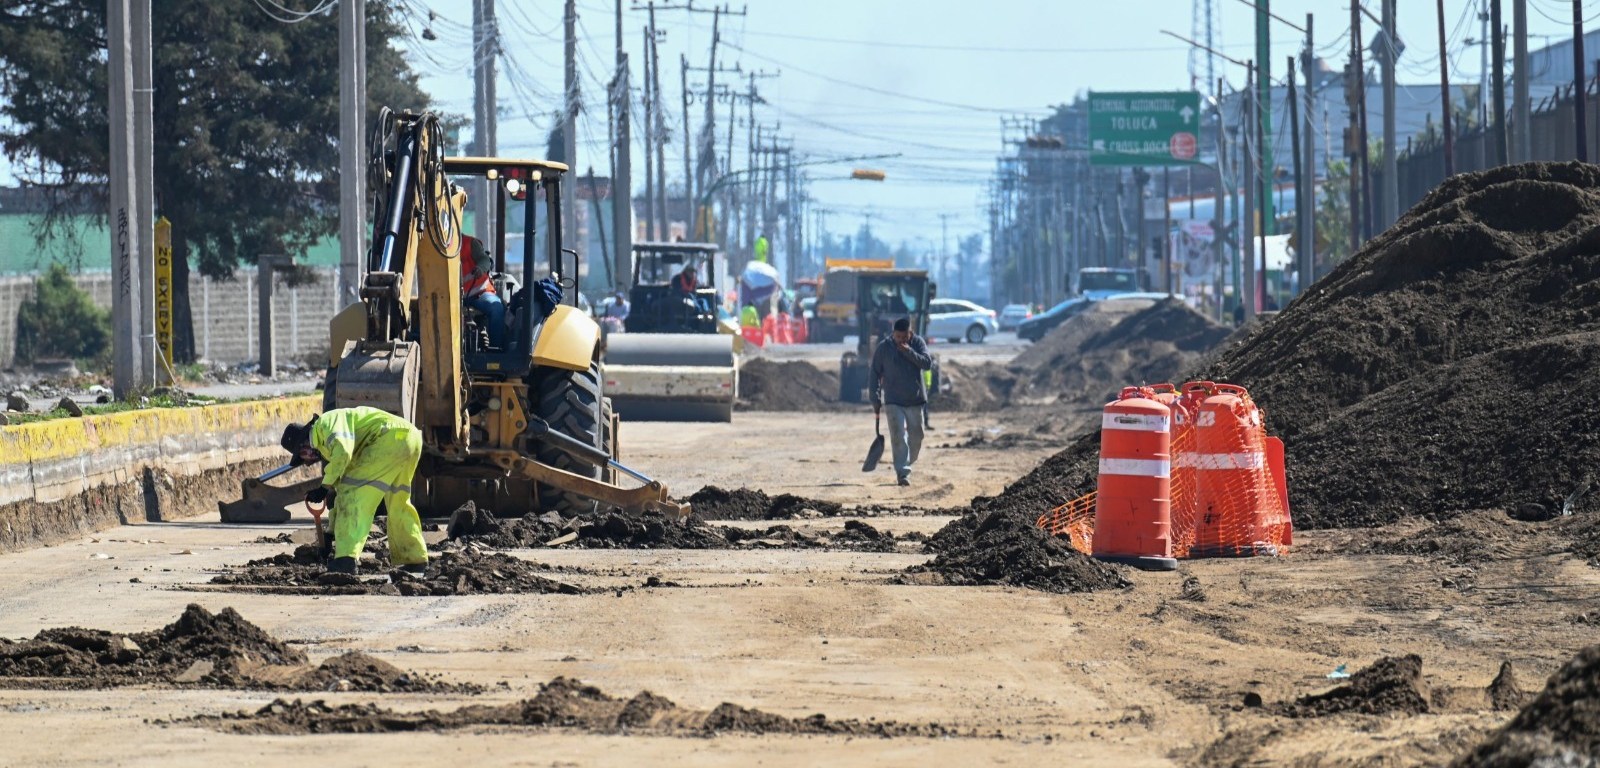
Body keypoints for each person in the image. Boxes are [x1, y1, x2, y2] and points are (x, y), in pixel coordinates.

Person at [280, 407, 430, 577]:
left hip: (387, 440)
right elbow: (339, 488)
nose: (307, 461)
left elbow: (343, 455)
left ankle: (346, 560)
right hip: (410, 438)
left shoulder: (324, 425)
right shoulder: (337, 443)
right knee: (399, 502)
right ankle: (415, 558)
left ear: (303, 447)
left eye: (303, 458)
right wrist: (330, 533)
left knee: (353, 495)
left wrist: (323, 487)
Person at [870, 317, 933, 486]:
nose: (900, 341)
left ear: (910, 333)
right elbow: (875, 373)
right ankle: (902, 473)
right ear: (893, 334)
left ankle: (907, 461)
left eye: (904, 338)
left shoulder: (918, 343)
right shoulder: (884, 348)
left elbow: (927, 364)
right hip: (893, 400)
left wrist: (909, 352)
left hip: (914, 399)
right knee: (898, 436)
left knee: (917, 437)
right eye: (898, 337)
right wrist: (874, 397)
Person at [461, 236, 506, 349]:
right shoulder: (438, 246)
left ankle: (496, 349)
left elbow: (485, 260)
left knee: (496, 308)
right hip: (454, 297)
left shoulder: (470, 243)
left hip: (479, 293)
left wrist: (480, 268)